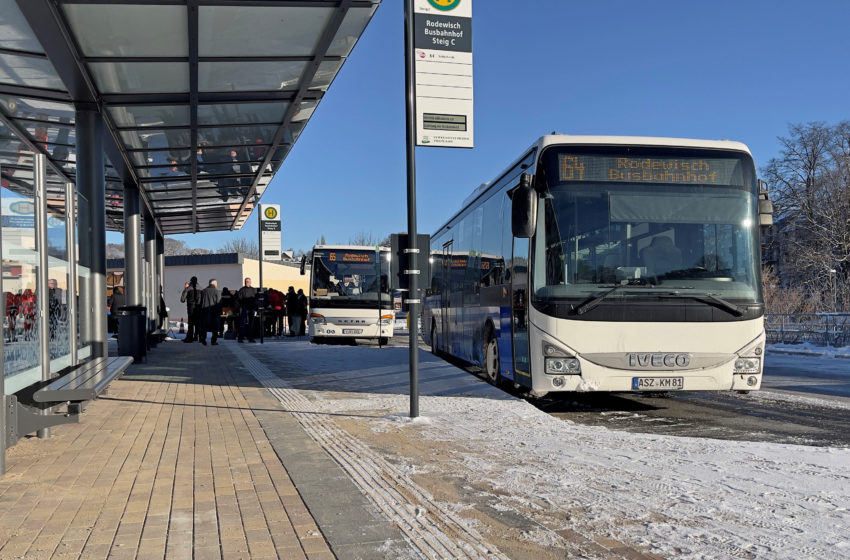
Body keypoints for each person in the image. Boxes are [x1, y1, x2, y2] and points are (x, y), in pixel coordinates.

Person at [198, 279, 220, 346]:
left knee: (204, 327)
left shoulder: (203, 291)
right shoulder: (217, 292)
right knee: (214, 327)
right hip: (214, 312)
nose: (217, 285)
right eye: (216, 283)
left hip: (204, 312)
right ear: (214, 284)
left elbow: (199, 302)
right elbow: (219, 303)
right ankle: (213, 341)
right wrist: (219, 312)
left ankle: (203, 340)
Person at [180, 276, 201, 343]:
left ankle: (189, 338)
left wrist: (185, 288)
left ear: (190, 281)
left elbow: (182, 299)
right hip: (199, 308)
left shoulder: (188, 288)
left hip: (191, 308)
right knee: (197, 323)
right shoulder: (201, 289)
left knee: (191, 323)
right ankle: (196, 337)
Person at [236, 277, 257, 343]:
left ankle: (250, 338)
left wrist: (255, 307)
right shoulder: (241, 290)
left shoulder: (253, 290)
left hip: (252, 309)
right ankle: (241, 338)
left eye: (248, 281)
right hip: (245, 308)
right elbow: (239, 299)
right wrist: (242, 306)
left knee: (251, 324)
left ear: (250, 282)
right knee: (242, 324)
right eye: (246, 281)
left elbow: (255, 299)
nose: (247, 282)